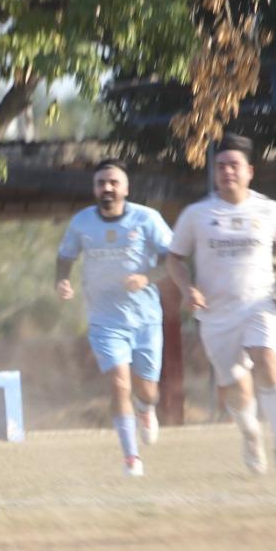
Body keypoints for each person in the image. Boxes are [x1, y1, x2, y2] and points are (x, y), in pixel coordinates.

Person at [167, 133, 276, 474]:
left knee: (268, 364)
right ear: (215, 172)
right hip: (216, 314)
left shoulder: (269, 209)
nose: (227, 171)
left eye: (234, 165)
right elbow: (174, 258)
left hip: (261, 304)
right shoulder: (197, 214)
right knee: (236, 387)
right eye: (221, 166)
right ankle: (251, 435)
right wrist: (187, 289)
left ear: (249, 171)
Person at [56, 159, 173, 477]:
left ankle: (147, 409)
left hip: (146, 319)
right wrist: (62, 280)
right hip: (104, 320)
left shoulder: (147, 219)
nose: (106, 188)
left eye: (113, 182)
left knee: (146, 389)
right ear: (94, 189)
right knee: (120, 384)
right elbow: (65, 256)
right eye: (100, 183)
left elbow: (171, 259)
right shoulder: (82, 223)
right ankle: (131, 458)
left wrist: (147, 278)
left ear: (125, 188)